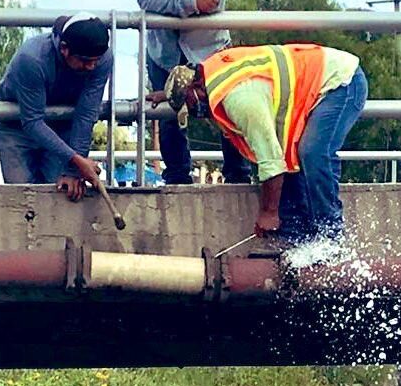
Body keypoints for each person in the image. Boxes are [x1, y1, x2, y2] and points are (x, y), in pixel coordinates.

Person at [148, 43, 368, 243]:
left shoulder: (240, 101)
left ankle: (331, 238)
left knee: (313, 153)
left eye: (191, 104)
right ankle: (300, 245)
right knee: (295, 169)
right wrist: (171, 95)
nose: (197, 112)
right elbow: (188, 82)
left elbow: (272, 163)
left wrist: (269, 213)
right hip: (316, 83)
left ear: (197, 87)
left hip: (339, 82)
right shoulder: (210, 72)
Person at [134, 0, 250, 185]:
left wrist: (179, 4)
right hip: (163, 49)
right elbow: (145, 0)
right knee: (167, 113)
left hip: (209, 48)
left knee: (227, 105)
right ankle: (176, 179)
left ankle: (238, 176)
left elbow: (213, 4)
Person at [0, 13, 111, 200]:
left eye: (95, 61)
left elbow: (86, 114)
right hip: (16, 126)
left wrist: (73, 170)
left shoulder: (102, 60)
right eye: (84, 61)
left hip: (63, 125)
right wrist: (77, 160)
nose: (91, 67)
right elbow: (32, 121)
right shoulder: (32, 59)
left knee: (62, 195)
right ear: (64, 48)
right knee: (24, 198)